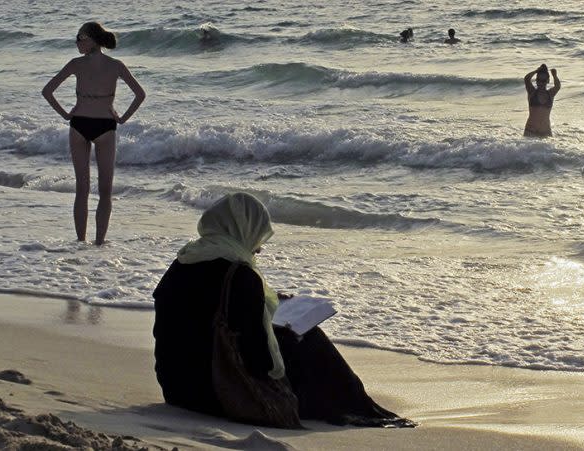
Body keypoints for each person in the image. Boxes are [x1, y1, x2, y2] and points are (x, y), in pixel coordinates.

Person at [153, 193, 415, 428]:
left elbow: (195, 317)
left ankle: (354, 405)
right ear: (244, 229)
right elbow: (260, 364)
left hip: (177, 390)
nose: (259, 247)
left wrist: (263, 306)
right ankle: (358, 407)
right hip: (217, 395)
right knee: (308, 338)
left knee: (286, 335)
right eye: (259, 235)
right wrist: (283, 333)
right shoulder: (240, 276)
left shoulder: (182, 262)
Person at [42, 22, 146, 245]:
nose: (77, 43)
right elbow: (140, 95)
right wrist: (122, 117)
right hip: (105, 126)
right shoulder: (116, 65)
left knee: (83, 188)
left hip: (79, 124)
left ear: (92, 39)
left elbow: (48, 91)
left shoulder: (76, 65)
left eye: (80, 38)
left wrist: (66, 114)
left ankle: (83, 242)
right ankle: (97, 243)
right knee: (104, 190)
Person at [523, 64, 560, 137]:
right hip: (530, 131)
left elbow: (557, 86)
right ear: (536, 81)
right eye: (539, 80)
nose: (541, 83)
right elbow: (527, 79)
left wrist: (555, 76)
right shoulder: (532, 92)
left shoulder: (550, 94)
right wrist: (536, 71)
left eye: (543, 81)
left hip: (546, 132)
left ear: (548, 81)